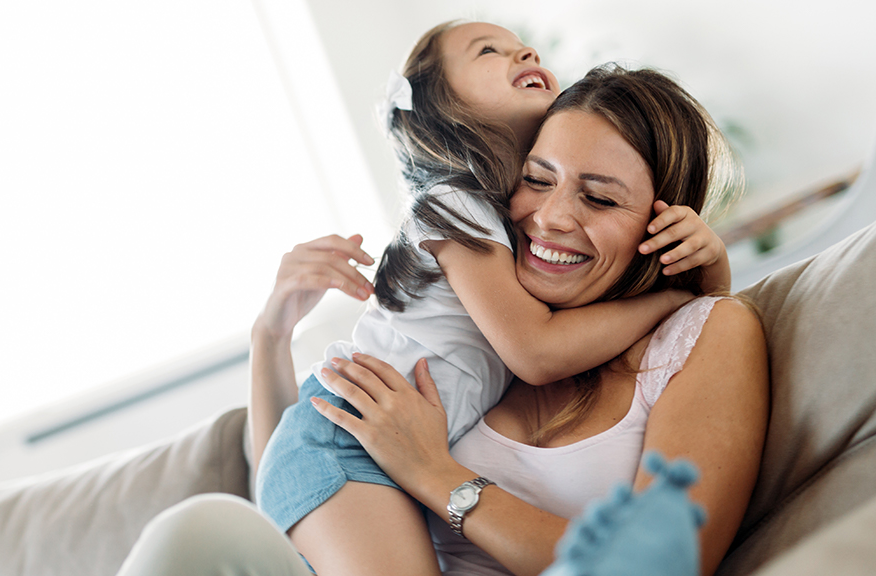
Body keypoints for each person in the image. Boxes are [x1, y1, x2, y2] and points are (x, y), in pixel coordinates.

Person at [114, 63, 768, 576]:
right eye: (536, 179)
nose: (550, 217)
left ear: (668, 222)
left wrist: (438, 475)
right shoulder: (486, 322)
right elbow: (299, 483)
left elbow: (660, 564)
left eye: (598, 197)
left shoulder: (706, 331)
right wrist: (271, 334)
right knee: (203, 530)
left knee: (203, 532)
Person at [252, 21, 732, 576]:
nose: (525, 50)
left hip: (360, 451)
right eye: (488, 51)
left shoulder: (498, 226)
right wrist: (671, 295)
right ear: (443, 110)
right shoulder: (453, 206)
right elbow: (536, 352)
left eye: (597, 195)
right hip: (343, 444)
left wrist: (706, 273)